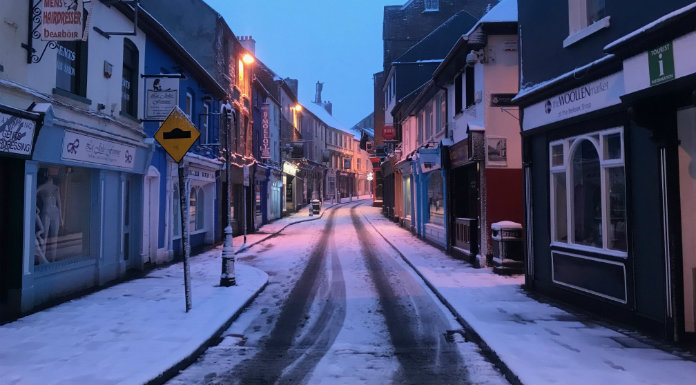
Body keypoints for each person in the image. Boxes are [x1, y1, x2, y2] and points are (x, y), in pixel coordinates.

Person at [37, 175, 62, 261]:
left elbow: (59, 204)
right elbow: (32, 194)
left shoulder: (56, 188)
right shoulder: (42, 187)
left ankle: (53, 259)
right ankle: (42, 260)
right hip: (46, 213)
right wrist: (35, 208)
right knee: (45, 237)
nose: (50, 179)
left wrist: (61, 218)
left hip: (55, 214)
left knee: (54, 238)